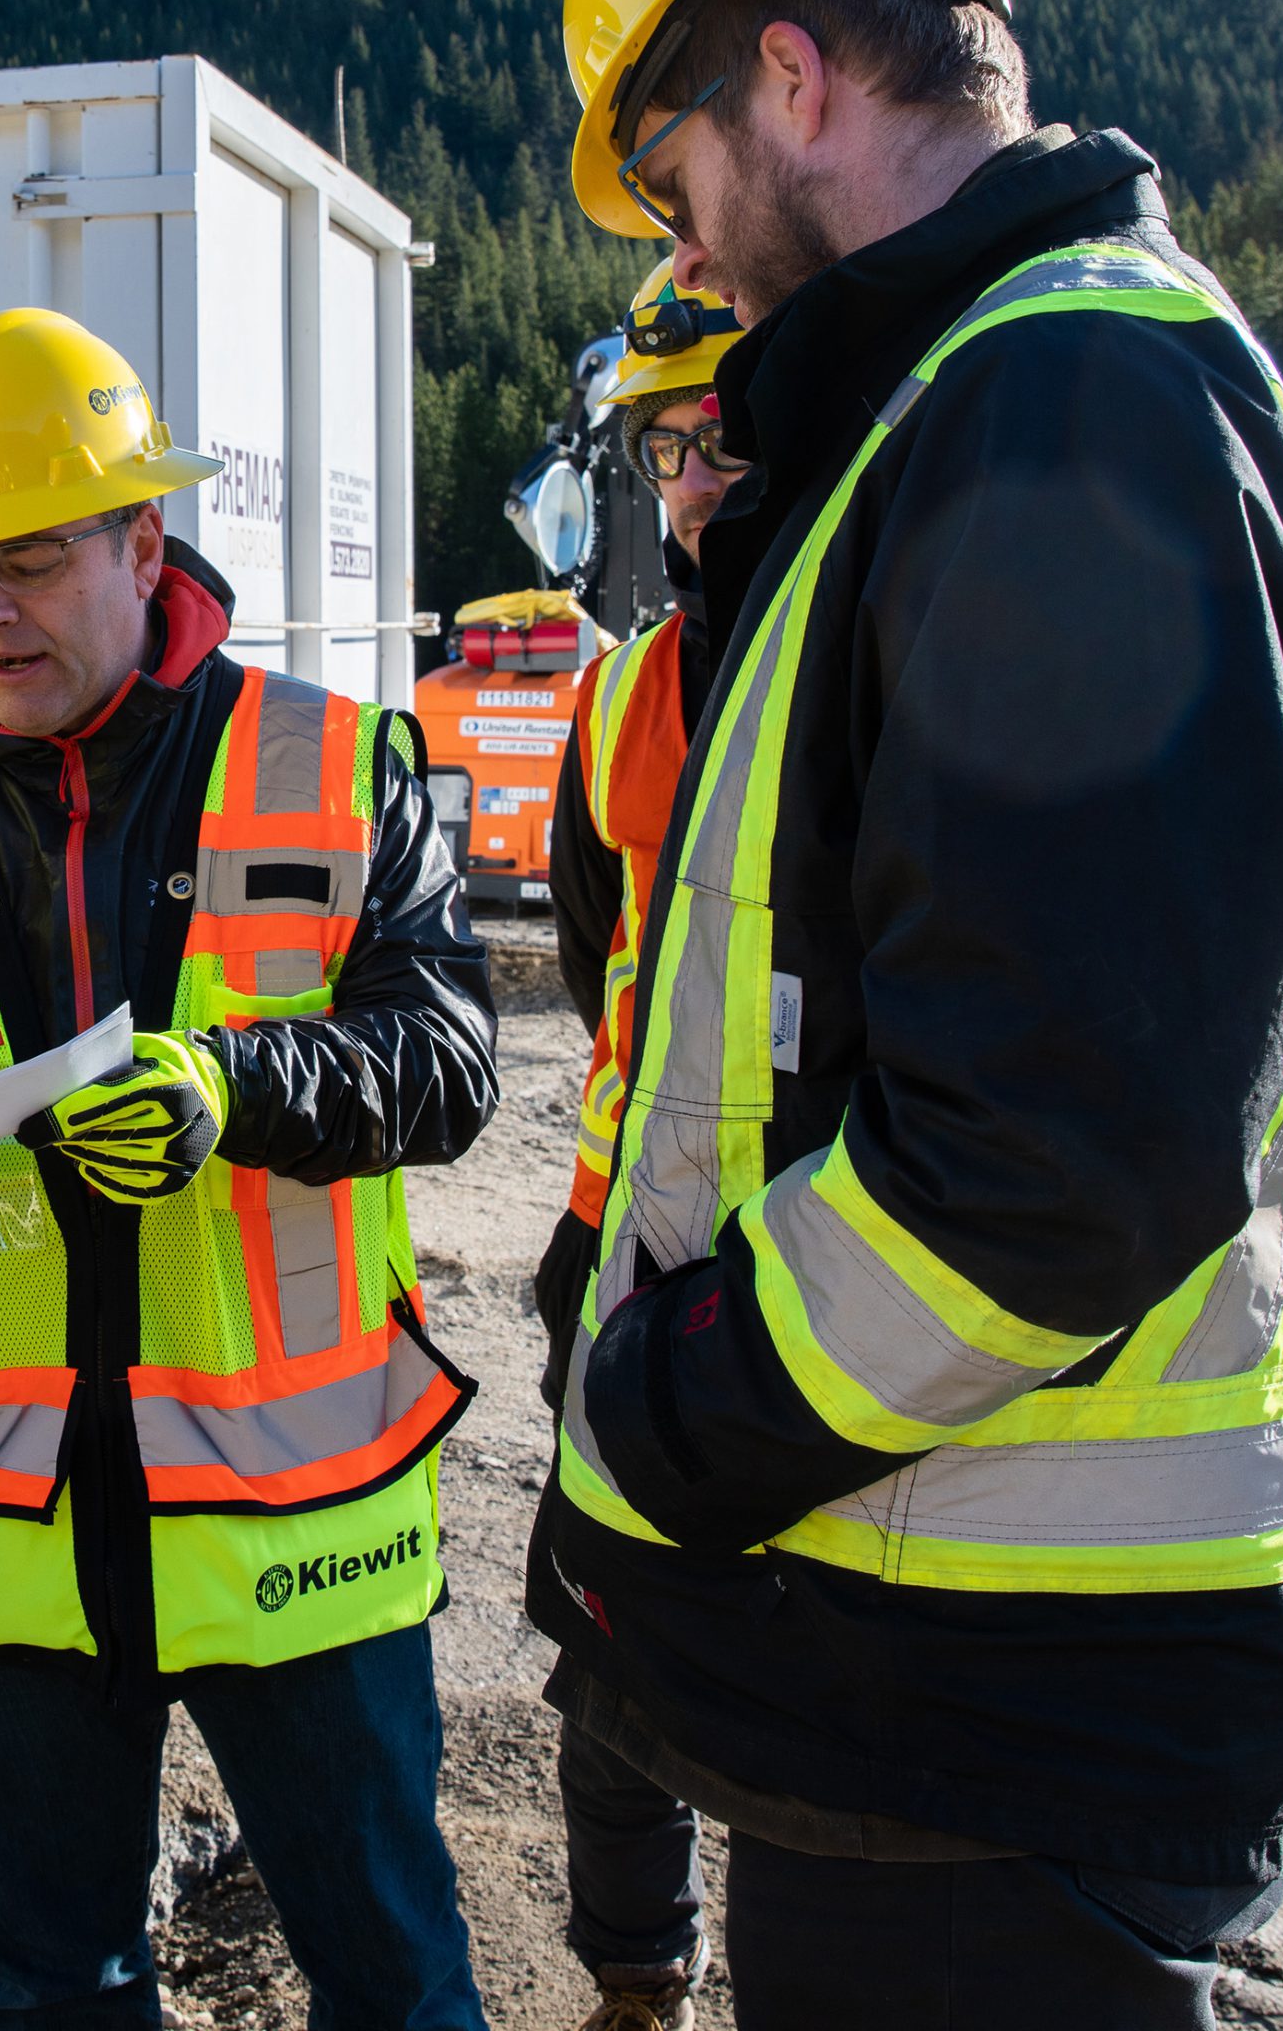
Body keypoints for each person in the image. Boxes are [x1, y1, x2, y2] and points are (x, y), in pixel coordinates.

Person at [527, 0, 1283, 2025]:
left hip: (999, 1702)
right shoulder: (978, 404)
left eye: (672, 183)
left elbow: (1054, 1162)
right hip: (948, 1665)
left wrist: (665, 1411)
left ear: (789, 80)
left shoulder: (1063, 403)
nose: (690, 261)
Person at [0, 308, 502, 2030]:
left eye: (32, 558)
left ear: (141, 541)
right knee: (46, 1993)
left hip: (294, 1535)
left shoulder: (334, 763)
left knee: (392, 1984)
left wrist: (232, 1085)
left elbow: (448, 1059)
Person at [535, 262, 748, 2031]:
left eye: (726, 435)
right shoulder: (618, 702)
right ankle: (635, 1981)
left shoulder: (913, 633)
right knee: (609, 1656)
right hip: (619, 1235)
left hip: (846, 1250)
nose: (692, 481)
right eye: (666, 446)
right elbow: (599, 954)